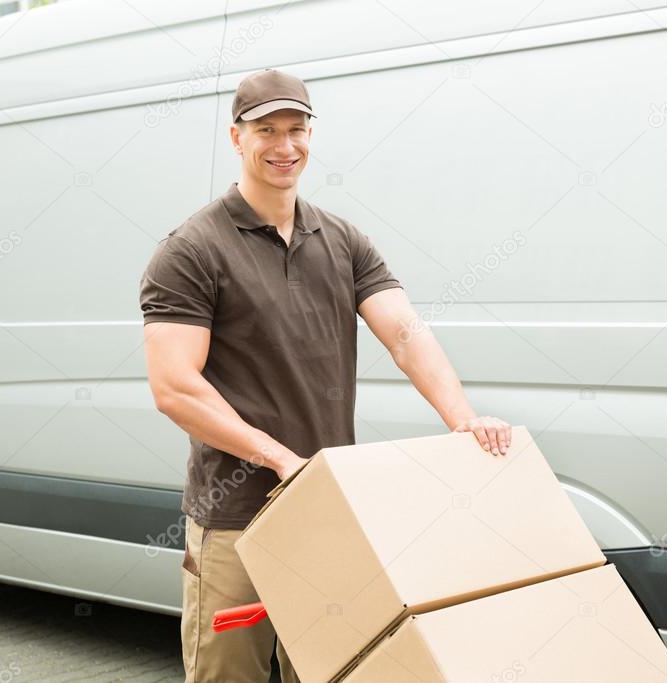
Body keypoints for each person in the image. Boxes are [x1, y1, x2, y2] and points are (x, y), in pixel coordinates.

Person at [139, 68, 512, 683]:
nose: (284, 146)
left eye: (296, 129)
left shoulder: (341, 239)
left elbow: (405, 333)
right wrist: (282, 461)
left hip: (329, 512)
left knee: (336, 671)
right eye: (266, 130)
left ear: (311, 134)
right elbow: (174, 386)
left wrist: (462, 417)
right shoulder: (192, 249)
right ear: (236, 138)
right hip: (235, 516)